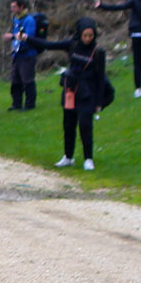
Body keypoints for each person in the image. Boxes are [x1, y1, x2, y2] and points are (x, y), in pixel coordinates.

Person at [38, 17, 107, 170]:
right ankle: (68, 156)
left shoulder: (98, 52)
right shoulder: (72, 45)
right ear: (80, 34)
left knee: (85, 124)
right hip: (71, 90)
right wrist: (27, 39)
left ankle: (88, 158)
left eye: (91, 35)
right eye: (85, 35)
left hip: (87, 93)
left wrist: (99, 102)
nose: (88, 39)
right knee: (68, 124)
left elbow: (101, 78)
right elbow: (49, 45)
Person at [3, 0, 43, 110]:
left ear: (22, 7)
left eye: (14, 7)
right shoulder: (16, 19)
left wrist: (11, 36)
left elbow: (27, 37)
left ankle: (30, 104)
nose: (12, 9)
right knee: (15, 80)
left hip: (27, 55)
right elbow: (17, 35)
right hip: (16, 55)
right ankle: (16, 103)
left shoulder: (29, 20)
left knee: (27, 80)